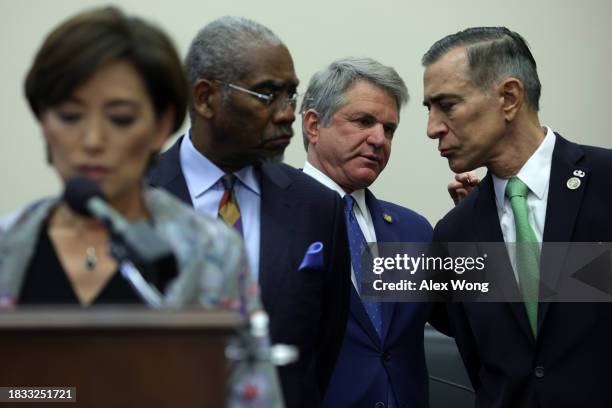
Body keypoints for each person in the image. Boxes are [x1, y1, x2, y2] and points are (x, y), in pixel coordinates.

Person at [148, 16, 351, 407]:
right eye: (267, 95)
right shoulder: (132, 198)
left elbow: (323, 348)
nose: (287, 113)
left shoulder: (317, 206)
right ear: (206, 98)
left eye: (290, 95)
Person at [0, 7, 254, 314]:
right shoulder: (7, 246)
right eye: (70, 116)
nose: (92, 141)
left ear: (161, 126)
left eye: (120, 119)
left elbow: (247, 361)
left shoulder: (214, 251)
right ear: (44, 123)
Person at [423, 27, 612, 407]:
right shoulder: (455, 233)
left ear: (509, 98)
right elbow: (477, 359)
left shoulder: (606, 182)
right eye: (430, 109)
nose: (432, 128)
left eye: (447, 105)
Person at [301, 57, 437, 408]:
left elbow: (474, 320)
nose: (379, 139)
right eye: (363, 121)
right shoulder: (270, 218)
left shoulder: (412, 230)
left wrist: (477, 220)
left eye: (389, 129)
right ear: (314, 125)